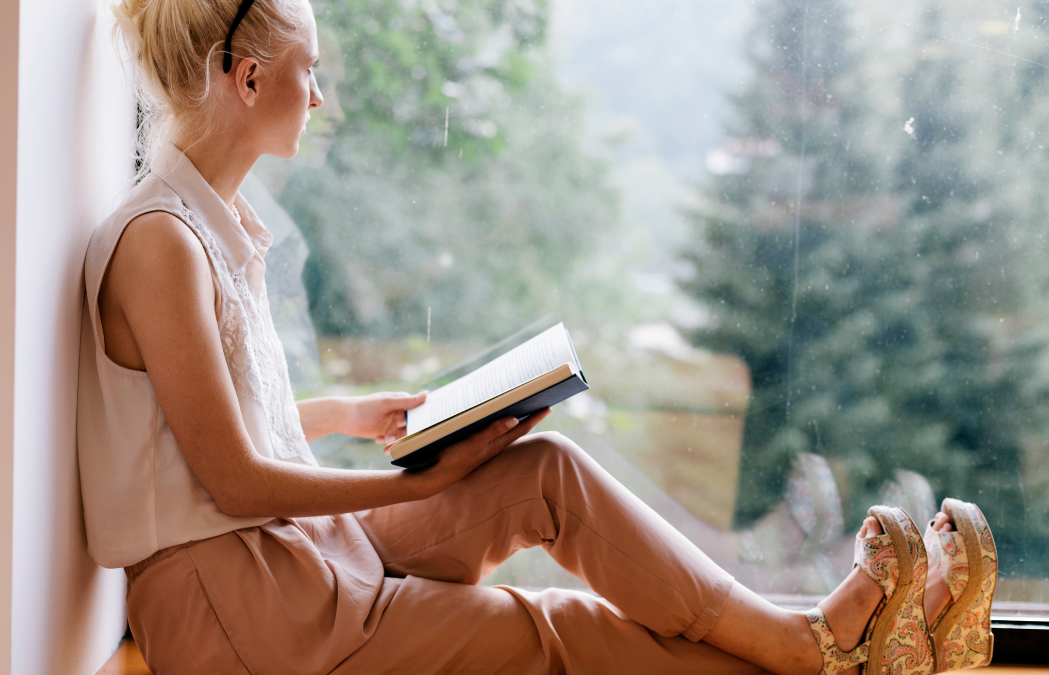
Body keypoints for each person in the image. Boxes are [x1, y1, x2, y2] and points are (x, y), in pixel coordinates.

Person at [77, 0, 998, 673]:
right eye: (307, 70)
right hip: (242, 611)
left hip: (295, 554)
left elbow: (203, 418)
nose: (317, 97)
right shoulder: (161, 243)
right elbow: (230, 475)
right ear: (246, 79)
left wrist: (349, 412)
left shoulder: (209, 223)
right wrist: (431, 477)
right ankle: (815, 655)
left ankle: (816, 643)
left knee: (544, 474)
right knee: (556, 630)